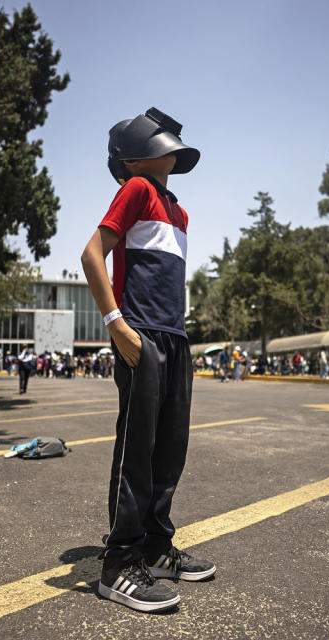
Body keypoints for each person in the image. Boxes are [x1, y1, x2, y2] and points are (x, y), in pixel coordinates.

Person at [80, 107, 214, 613]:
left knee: (169, 449)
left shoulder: (178, 210)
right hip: (141, 335)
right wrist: (117, 324)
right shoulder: (135, 188)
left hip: (174, 339)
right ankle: (118, 564)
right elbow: (92, 254)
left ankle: (156, 547)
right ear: (138, 153)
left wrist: (180, 336)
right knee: (137, 450)